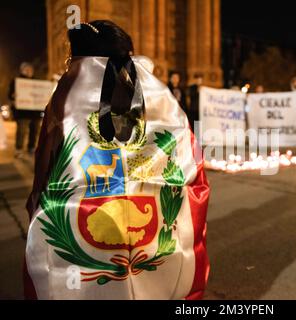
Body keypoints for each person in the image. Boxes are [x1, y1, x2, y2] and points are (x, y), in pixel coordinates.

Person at [24, 20, 210, 300]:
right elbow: (190, 165)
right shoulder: (163, 99)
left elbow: (45, 174)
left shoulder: (67, 95)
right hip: (156, 240)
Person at [8, 62, 43, 158]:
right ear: (22, 70)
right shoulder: (16, 81)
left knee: (34, 130)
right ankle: (19, 149)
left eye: (31, 69)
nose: (29, 71)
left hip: (35, 112)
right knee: (21, 131)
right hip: (22, 112)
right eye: (27, 69)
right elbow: (10, 95)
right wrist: (13, 96)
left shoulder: (37, 82)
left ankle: (31, 147)